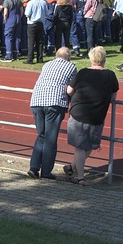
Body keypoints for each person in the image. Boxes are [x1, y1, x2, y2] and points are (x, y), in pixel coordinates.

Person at [63, 46, 119, 184]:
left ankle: (78, 175)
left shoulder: (82, 73)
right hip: (97, 116)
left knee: (80, 147)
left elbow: (69, 91)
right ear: (104, 59)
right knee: (87, 147)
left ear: (91, 59)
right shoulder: (110, 75)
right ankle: (74, 170)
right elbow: (113, 96)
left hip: (79, 114)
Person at [27, 46, 77, 180]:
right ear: (69, 57)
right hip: (55, 102)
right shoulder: (71, 67)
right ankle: (46, 172)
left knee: (41, 135)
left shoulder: (47, 64)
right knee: (50, 138)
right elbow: (71, 88)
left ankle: (33, 168)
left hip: (37, 100)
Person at [24, 0, 47, 65]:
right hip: (40, 23)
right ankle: (40, 58)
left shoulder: (30, 3)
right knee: (40, 41)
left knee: (31, 41)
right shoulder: (43, 2)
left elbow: (27, 14)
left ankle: (30, 58)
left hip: (32, 23)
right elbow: (46, 13)